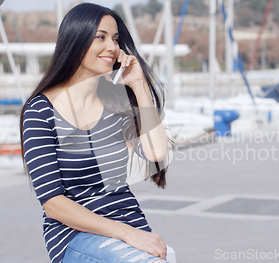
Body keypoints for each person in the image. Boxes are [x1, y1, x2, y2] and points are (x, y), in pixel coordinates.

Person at [19, 3, 172, 263]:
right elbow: (53, 203)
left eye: (115, 39)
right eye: (100, 37)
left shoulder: (115, 102)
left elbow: (156, 153)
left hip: (131, 228)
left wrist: (138, 84)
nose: (111, 47)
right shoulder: (40, 112)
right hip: (77, 236)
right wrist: (126, 235)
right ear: (75, 40)